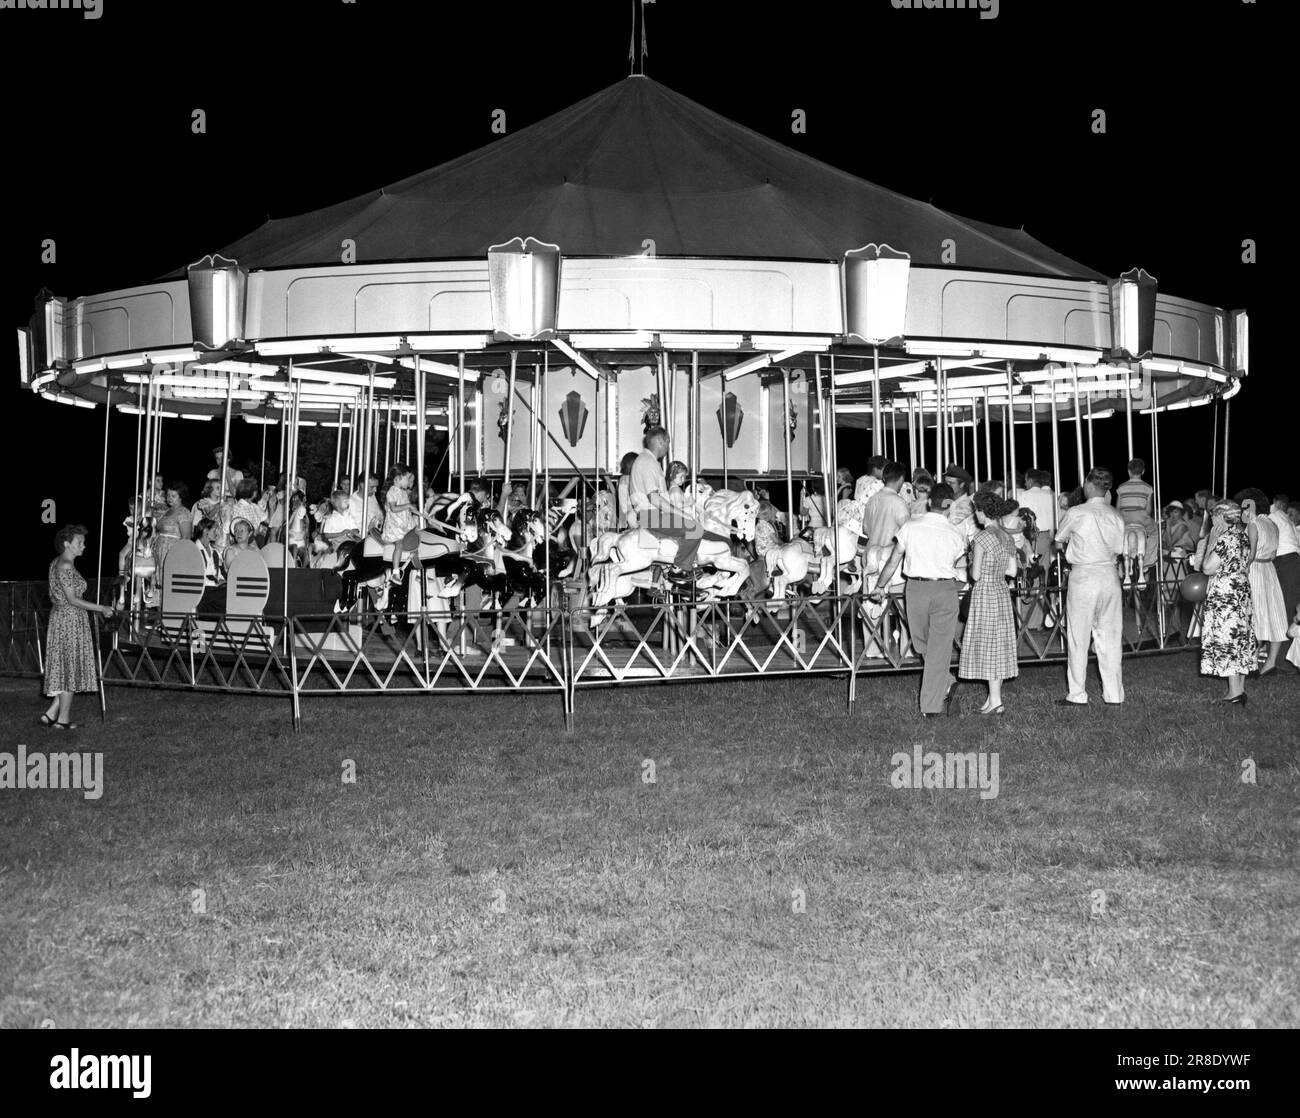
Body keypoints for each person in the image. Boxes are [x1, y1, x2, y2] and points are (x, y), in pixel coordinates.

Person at [869, 482, 967, 718]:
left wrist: (880, 585)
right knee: (926, 647)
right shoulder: (956, 533)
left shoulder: (910, 527)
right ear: (948, 505)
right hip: (945, 590)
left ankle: (931, 707)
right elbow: (960, 564)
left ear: (929, 501)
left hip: (917, 589)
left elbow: (894, 560)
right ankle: (949, 682)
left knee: (931, 647)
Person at [1054, 467, 1126, 706]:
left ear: (1089, 485)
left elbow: (1058, 540)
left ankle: (1077, 693)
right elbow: (1119, 548)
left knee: (1079, 637)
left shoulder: (1077, 512)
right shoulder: (1115, 515)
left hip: (1084, 575)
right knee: (1110, 636)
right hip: (1109, 574)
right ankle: (1114, 693)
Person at [40, 525, 113, 730]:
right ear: (67, 544)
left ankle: (51, 713)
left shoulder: (58, 562)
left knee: (66, 666)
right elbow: (72, 599)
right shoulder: (65, 566)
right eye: (79, 542)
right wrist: (101, 609)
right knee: (69, 669)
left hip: (64, 618)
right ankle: (62, 721)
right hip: (68, 621)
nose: (83, 545)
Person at [958, 493, 1023, 715]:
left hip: (985, 591)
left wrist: (971, 564)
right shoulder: (1007, 537)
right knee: (998, 645)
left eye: (976, 509)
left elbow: (975, 574)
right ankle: (992, 698)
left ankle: (996, 700)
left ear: (982, 511)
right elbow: (1012, 571)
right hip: (1001, 592)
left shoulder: (982, 538)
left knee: (988, 645)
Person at [1199, 499, 1256, 703]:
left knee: (1228, 636)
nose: (1212, 520)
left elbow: (1207, 567)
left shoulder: (1224, 539)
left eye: (1214, 516)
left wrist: (1211, 543)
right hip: (1241, 588)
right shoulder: (1242, 536)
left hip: (1226, 591)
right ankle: (1239, 689)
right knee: (1240, 636)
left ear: (1222, 517)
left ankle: (1234, 693)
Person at [628, 427, 703, 570]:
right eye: (668, 443)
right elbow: (655, 499)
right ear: (661, 442)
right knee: (695, 529)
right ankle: (679, 570)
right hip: (651, 516)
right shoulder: (648, 463)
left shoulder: (647, 461)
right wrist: (683, 514)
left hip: (650, 514)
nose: (668, 447)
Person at [1237, 489, 1289, 676]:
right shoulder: (1272, 524)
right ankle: (1270, 663)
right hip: (1269, 570)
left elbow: (1249, 555)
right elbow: (1274, 553)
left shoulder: (1253, 524)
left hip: (1255, 570)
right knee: (1274, 615)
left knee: (1254, 615)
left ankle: (1251, 663)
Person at [1115, 458, 1156, 587]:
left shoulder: (1121, 488)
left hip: (1125, 519)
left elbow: (1117, 508)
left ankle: (1120, 560)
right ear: (1143, 471)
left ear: (1128, 471)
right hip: (1141, 518)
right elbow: (1149, 510)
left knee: (1117, 533)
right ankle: (1146, 563)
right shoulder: (1148, 488)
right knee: (1155, 533)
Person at [381, 465, 422, 583]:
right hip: (395, 526)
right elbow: (393, 508)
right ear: (398, 478)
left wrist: (413, 510)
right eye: (407, 478)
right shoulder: (392, 492)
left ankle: (419, 571)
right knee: (399, 545)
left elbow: (406, 508)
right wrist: (408, 506)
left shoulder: (403, 492)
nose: (409, 481)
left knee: (416, 543)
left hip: (405, 524)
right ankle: (395, 572)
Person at [862, 461, 910, 553]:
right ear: (901, 479)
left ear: (884, 478)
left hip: (869, 554)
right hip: (887, 557)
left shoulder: (872, 499)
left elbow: (866, 529)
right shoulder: (899, 502)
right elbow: (907, 530)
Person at [1268, 492, 1300, 623]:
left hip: (1287, 563)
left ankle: (1288, 638)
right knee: (1284, 601)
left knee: (1288, 601)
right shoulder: (1289, 524)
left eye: (1291, 514)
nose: (1289, 516)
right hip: (1287, 563)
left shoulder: (1277, 516)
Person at [152, 481, 192, 573]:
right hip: (159, 552)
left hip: (172, 553)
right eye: (168, 495)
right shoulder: (166, 511)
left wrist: (177, 557)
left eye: (173, 496)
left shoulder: (183, 512)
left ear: (181, 497)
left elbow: (186, 538)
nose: (169, 498)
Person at [1016, 468, 1057, 558]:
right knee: (1044, 567)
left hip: (1027, 537)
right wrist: (1051, 537)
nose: (1025, 484)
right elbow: (1052, 519)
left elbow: (1018, 518)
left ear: (1030, 481)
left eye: (1026, 481)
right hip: (1044, 536)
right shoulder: (1049, 496)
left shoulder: (1022, 495)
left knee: (1028, 566)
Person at [194, 517, 224, 587]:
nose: (217, 533)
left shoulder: (214, 552)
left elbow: (218, 574)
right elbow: (197, 577)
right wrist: (214, 584)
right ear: (205, 531)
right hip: (202, 588)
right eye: (214, 530)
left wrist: (222, 580)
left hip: (214, 587)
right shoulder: (195, 550)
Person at [617, 452, 639, 529]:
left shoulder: (626, 479)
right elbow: (623, 504)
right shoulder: (625, 479)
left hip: (632, 515)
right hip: (629, 517)